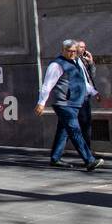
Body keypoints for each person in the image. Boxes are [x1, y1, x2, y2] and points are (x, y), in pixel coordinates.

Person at [35, 38, 102, 171]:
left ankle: (55, 158)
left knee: (64, 130)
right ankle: (89, 160)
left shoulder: (77, 62)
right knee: (75, 130)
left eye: (74, 51)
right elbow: (47, 85)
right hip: (63, 103)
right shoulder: (56, 65)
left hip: (75, 102)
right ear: (63, 50)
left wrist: (94, 92)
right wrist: (41, 103)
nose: (72, 53)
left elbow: (83, 82)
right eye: (69, 51)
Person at [76, 40, 98, 148]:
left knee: (86, 124)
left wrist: (91, 62)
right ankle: (86, 152)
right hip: (78, 97)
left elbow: (91, 77)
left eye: (84, 47)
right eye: (80, 47)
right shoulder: (73, 61)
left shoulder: (83, 61)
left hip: (86, 96)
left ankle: (87, 150)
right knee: (82, 124)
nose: (83, 49)